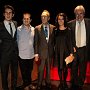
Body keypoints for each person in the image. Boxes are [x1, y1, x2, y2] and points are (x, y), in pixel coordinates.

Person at [68, 5, 90, 89]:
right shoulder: (70, 24)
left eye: (80, 14)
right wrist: (71, 48)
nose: (79, 16)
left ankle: (80, 84)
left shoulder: (89, 22)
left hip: (84, 49)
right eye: (77, 14)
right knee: (73, 67)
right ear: (74, 14)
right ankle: (74, 83)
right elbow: (68, 39)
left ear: (84, 14)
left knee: (82, 68)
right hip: (74, 49)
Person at [34, 10, 55, 90]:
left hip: (50, 53)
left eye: (45, 16)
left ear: (48, 18)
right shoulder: (37, 28)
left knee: (49, 70)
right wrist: (36, 54)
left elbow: (54, 42)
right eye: (42, 16)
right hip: (41, 54)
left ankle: (48, 82)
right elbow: (36, 42)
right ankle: (39, 84)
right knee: (41, 70)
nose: (43, 18)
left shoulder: (53, 28)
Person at [53, 13, 74, 90]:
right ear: (57, 20)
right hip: (58, 52)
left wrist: (71, 53)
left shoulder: (68, 30)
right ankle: (61, 82)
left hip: (66, 52)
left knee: (65, 68)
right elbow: (53, 42)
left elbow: (70, 42)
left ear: (64, 20)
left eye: (62, 19)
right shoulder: (55, 31)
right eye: (59, 19)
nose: (60, 21)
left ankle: (64, 82)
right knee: (59, 68)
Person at [0, 5, 18, 90]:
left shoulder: (15, 23)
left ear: (13, 15)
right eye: (6, 13)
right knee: (4, 75)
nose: (8, 14)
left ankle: (14, 88)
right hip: (4, 55)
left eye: (10, 13)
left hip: (14, 55)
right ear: (3, 14)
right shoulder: (0, 25)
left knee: (15, 74)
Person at [17, 12, 35, 90]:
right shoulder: (18, 29)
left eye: (28, 18)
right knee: (24, 72)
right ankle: (26, 85)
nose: (26, 20)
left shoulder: (34, 29)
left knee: (29, 71)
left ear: (30, 20)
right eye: (24, 18)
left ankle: (30, 83)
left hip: (31, 54)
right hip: (22, 54)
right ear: (22, 19)